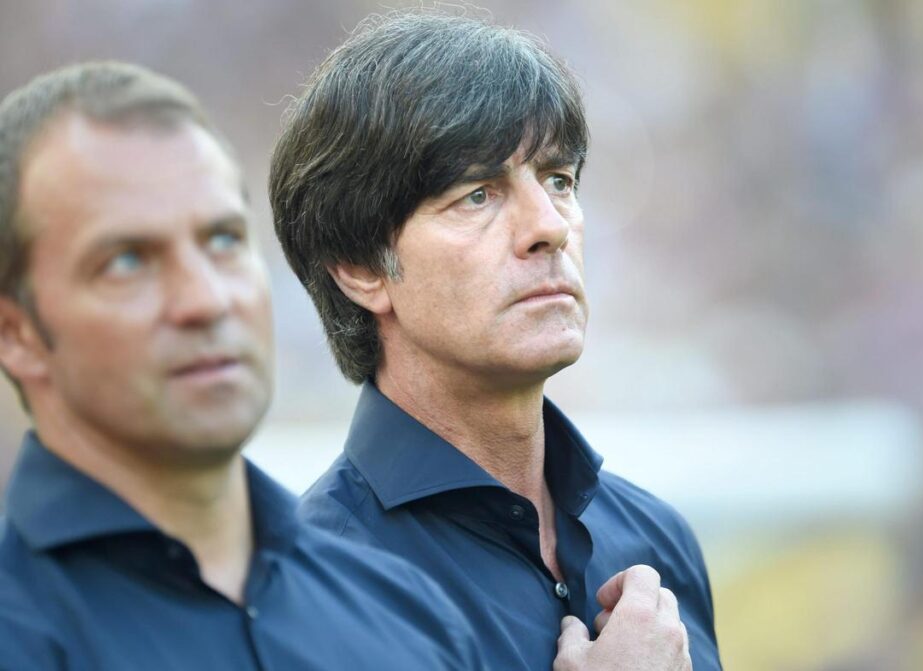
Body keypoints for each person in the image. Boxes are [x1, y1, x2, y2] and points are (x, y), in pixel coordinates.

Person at [270, 10, 721, 671]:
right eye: (476, 194)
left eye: (559, 180)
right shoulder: (315, 595)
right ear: (361, 267)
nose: (549, 226)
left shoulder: (657, 539)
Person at [0, 61, 483, 670]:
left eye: (224, 241)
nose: (206, 299)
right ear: (16, 334)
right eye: (126, 261)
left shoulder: (407, 614)